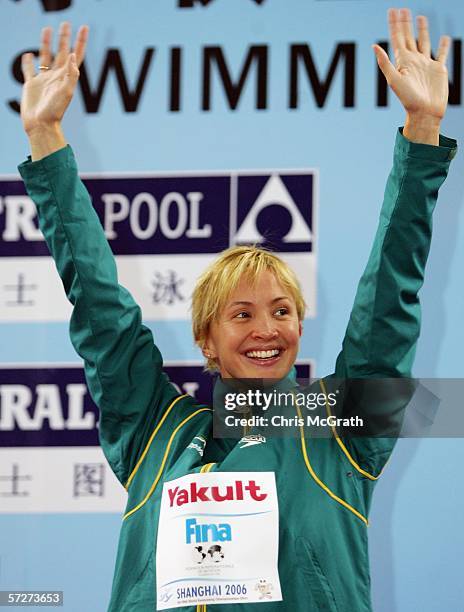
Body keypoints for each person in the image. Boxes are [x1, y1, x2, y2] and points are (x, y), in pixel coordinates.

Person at [18, 8, 456, 612]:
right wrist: (45, 140)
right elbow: (99, 307)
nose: (267, 329)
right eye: (242, 315)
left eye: (282, 311)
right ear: (207, 341)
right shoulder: (154, 433)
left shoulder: (341, 426)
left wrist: (423, 130)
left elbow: (390, 294)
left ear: (301, 328)